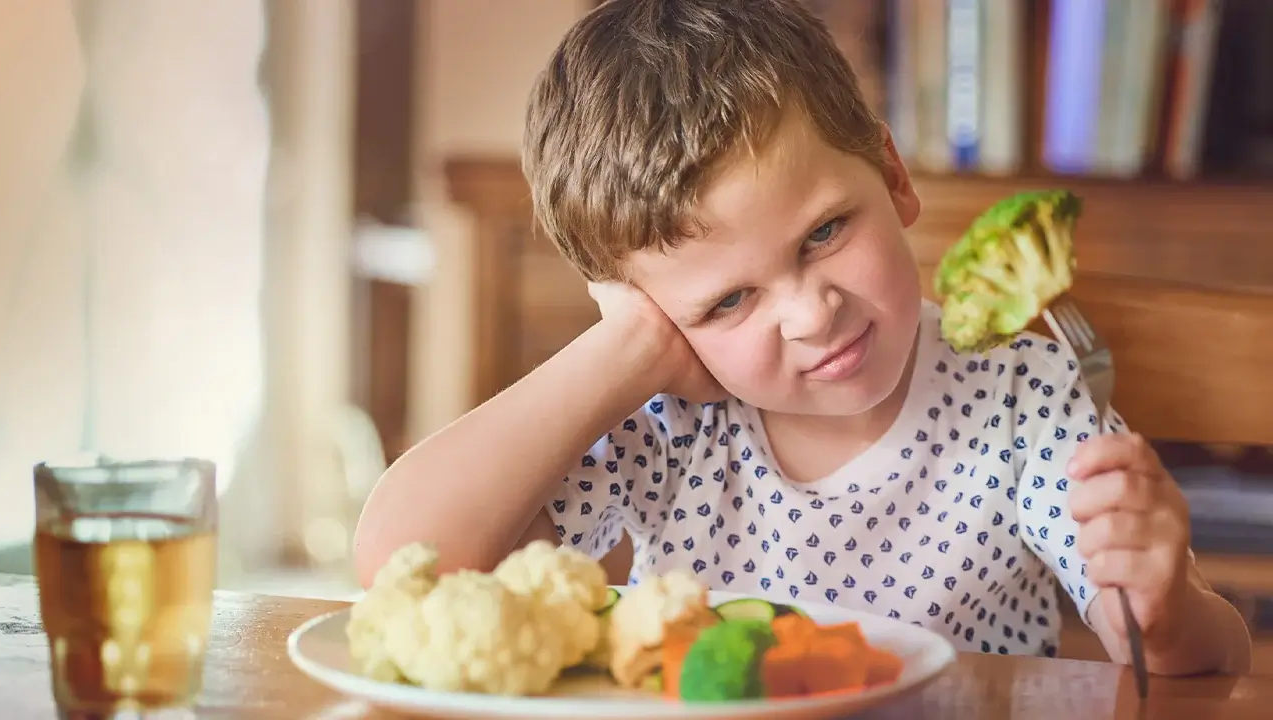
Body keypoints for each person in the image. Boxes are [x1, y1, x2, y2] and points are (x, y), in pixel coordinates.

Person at [354, 0, 1251, 673]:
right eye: (728, 301)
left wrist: (1164, 606)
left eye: (824, 232)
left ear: (892, 175)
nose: (812, 313)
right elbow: (403, 567)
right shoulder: (664, 426)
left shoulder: (1024, 391)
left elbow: (1199, 656)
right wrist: (624, 352)